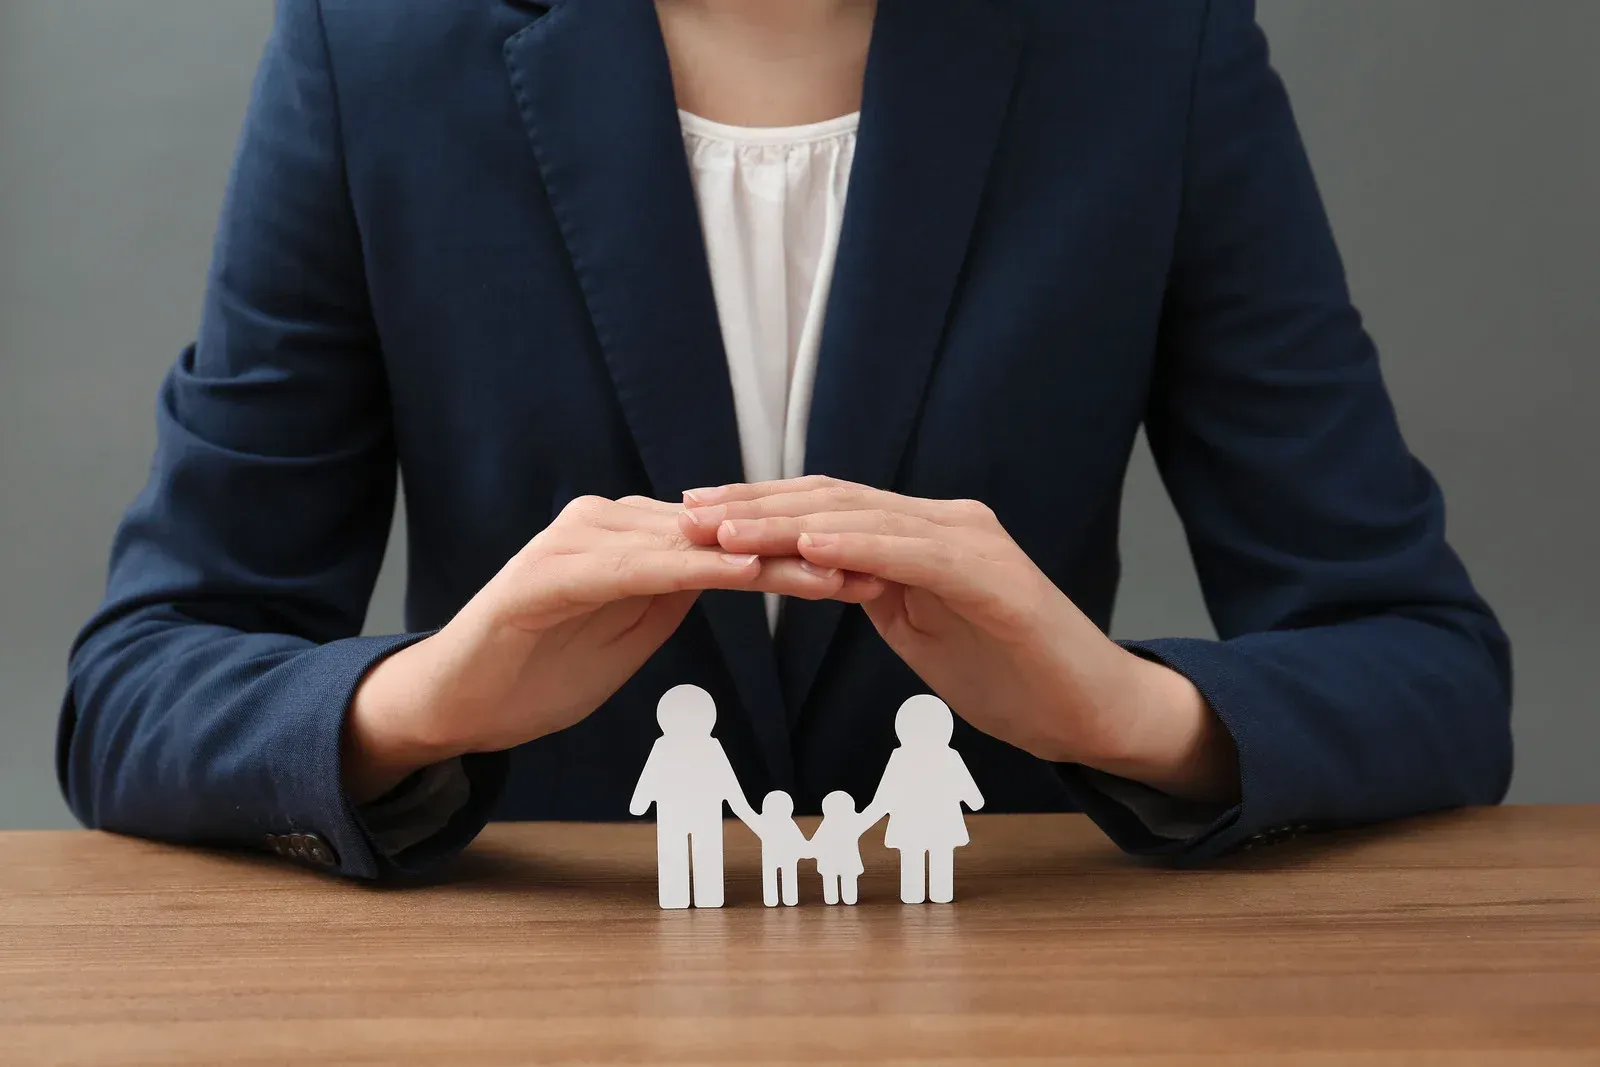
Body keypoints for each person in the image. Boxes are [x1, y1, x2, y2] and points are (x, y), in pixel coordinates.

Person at [59, 0, 1512, 882]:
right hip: (530, 1001)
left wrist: (1120, 710)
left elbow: (1431, 670)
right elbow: (134, 688)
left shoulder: (1151, 48)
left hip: (1020, 990)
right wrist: (431, 699)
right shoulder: (368, 52)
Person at [628, 685, 759, 909]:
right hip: (678, 813)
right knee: (674, 853)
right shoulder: (665, 746)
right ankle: (677, 895)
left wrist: (640, 803)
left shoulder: (708, 746)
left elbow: (727, 781)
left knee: (706, 853)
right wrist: (640, 801)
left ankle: (707, 895)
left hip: (699, 813)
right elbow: (651, 774)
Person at [860, 696, 985, 904]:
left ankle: (919, 893)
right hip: (941, 823)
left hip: (912, 823)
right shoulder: (948, 756)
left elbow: (883, 798)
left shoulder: (904, 758)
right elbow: (974, 799)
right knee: (935, 854)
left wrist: (864, 820)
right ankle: (935, 892)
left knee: (919, 853)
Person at [810, 790, 873, 906]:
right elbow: (869, 817)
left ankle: (842, 898)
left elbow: (814, 843)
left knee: (841, 879)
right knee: (836, 879)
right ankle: (839, 898)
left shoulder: (831, 825)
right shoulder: (845, 823)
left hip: (835, 862)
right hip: (841, 862)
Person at [753, 791, 810, 907]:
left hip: (783, 857)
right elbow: (800, 840)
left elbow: (798, 840)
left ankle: (785, 898)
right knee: (777, 875)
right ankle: (776, 899)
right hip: (775, 857)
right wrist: (806, 849)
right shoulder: (783, 824)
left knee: (785, 875)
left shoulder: (785, 824)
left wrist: (806, 849)